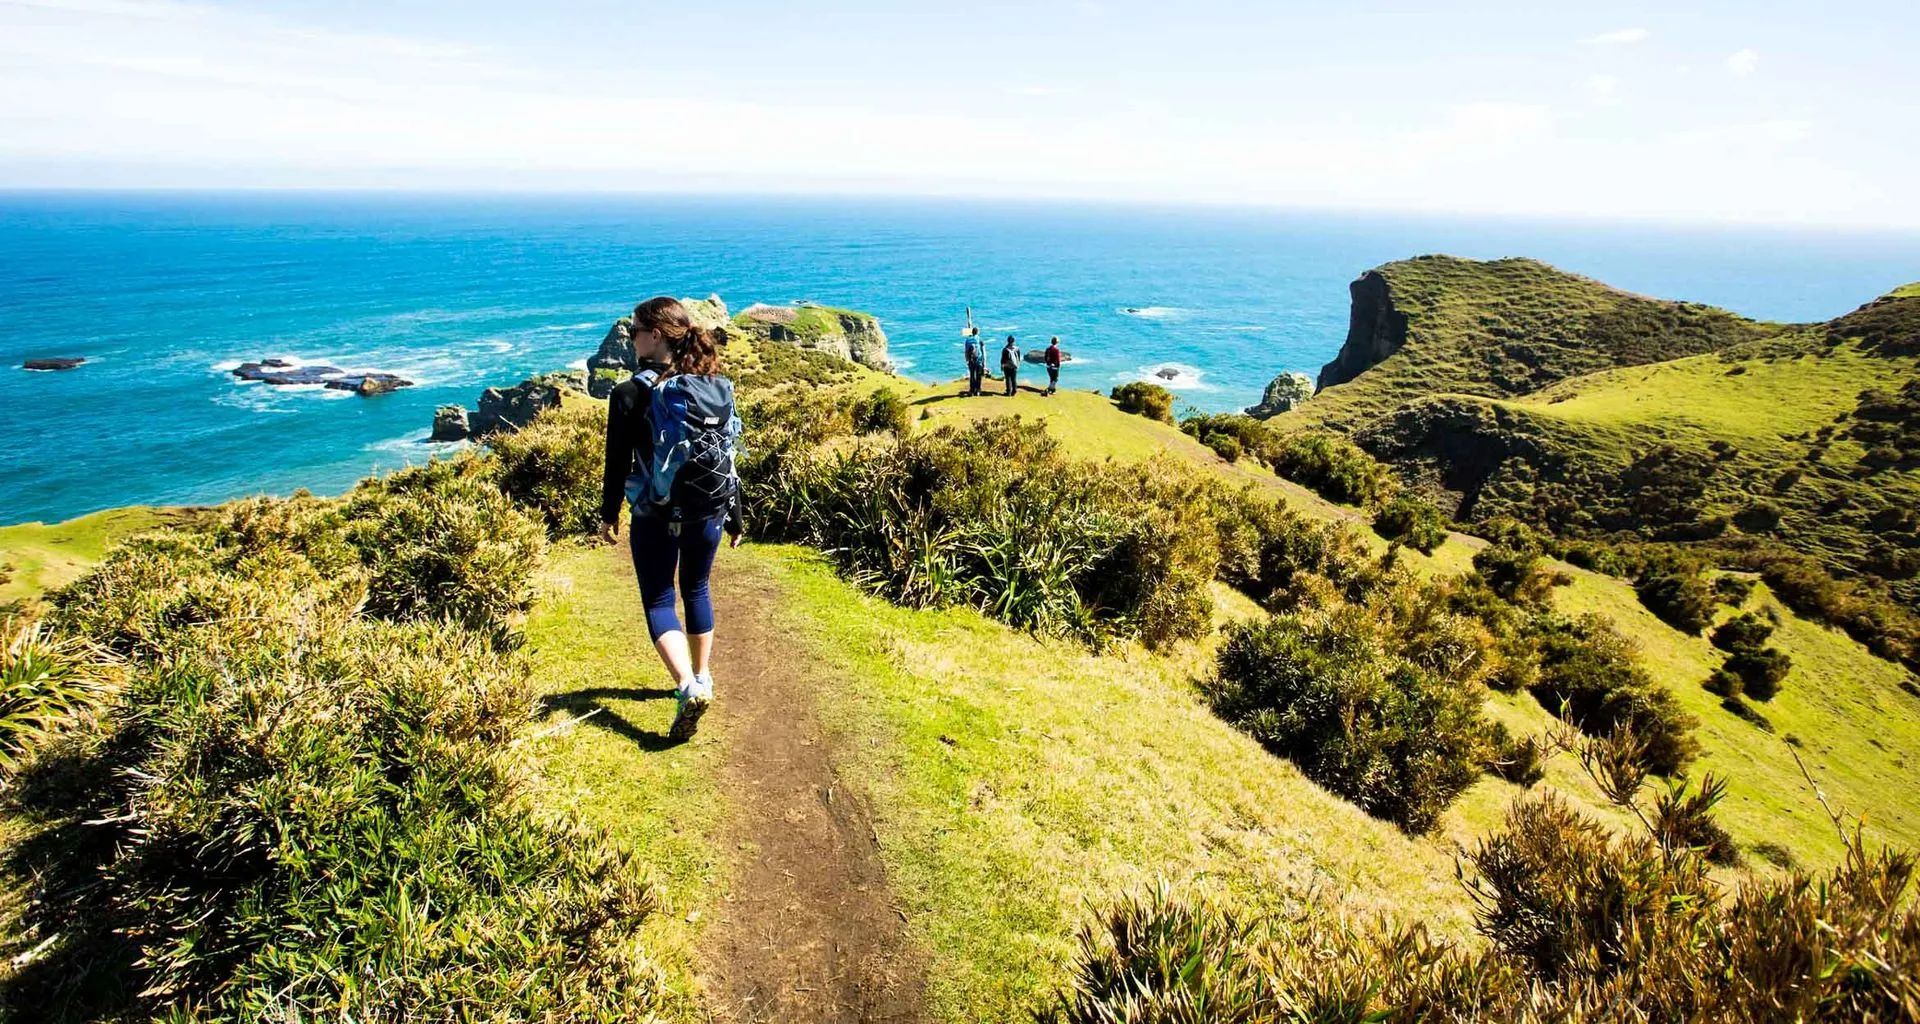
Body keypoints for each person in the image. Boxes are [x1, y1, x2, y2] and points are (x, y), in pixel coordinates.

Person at [599, 296, 744, 742]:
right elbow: (728, 454)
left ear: (655, 335)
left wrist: (607, 516)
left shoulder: (628, 394)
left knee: (660, 600)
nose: (631, 337)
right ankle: (703, 677)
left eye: (635, 330)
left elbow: (617, 462)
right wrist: (736, 514)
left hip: (654, 515)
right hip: (709, 511)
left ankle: (686, 687)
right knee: (697, 588)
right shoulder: (712, 386)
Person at [963, 330, 984, 397]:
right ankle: (978, 390)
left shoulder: (968, 340)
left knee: (972, 375)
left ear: (972, 332)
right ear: (977, 332)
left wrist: (967, 360)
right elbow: (983, 351)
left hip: (970, 360)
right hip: (979, 360)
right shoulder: (980, 339)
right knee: (978, 376)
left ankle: (972, 390)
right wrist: (984, 362)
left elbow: (966, 351)